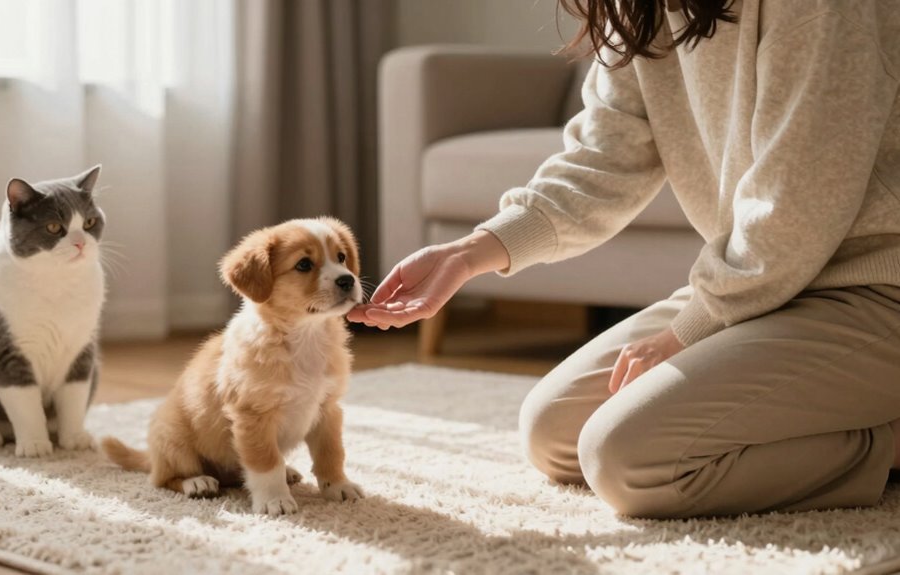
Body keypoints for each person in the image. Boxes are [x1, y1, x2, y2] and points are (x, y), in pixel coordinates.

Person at [348, 0, 900, 519]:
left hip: (875, 288)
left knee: (630, 460)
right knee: (557, 434)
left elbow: (797, 203)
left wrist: (689, 331)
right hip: (767, 286)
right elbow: (602, 160)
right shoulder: (640, 9)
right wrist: (468, 255)